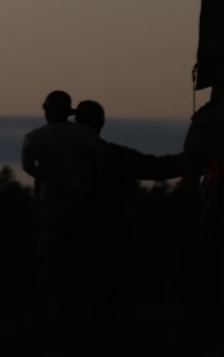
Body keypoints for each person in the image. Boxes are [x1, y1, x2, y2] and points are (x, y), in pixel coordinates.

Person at [73, 97, 184, 311]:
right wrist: (193, 160)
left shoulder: (56, 156)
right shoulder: (114, 155)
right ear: (100, 123)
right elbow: (156, 168)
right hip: (109, 231)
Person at [20, 90, 101, 312]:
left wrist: (50, 179)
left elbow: (28, 166)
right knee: (79, 253)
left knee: (51, 253)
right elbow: (102, 156)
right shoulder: (84, 133)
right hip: (81, 200)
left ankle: (54, 304)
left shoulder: (35, 136)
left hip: (50, 202)